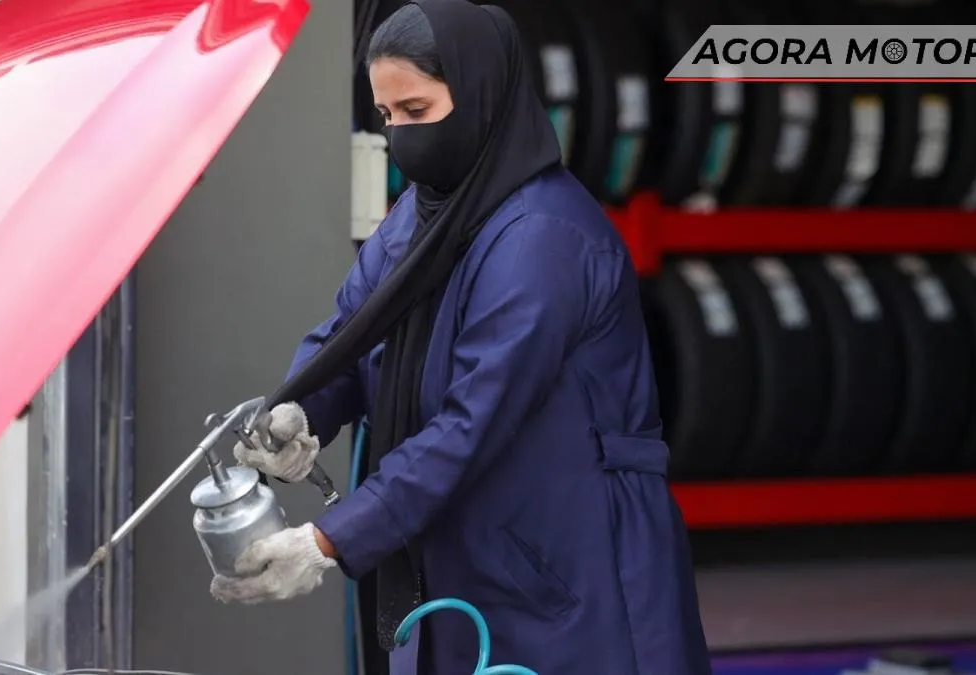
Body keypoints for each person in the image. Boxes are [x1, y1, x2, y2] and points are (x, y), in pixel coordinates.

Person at [208, 1, 712, 673]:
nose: (400, 136)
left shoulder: (543, 238)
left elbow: (472, 423)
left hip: (567, 564)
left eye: (416, 110)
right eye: (387, 116)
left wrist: (328, 540)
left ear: (481, 95)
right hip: (467, 552)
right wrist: (305, 410)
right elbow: (352, 331)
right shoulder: (421, 215)